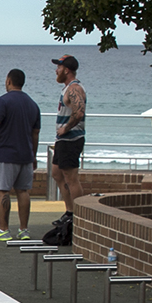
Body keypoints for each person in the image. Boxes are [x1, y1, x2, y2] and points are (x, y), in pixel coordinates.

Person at [0, 69, 41, 240]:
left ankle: (3, 229)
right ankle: (24, 230)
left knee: (3, 191)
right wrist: (33, 155)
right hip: (26, 155)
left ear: (8, 81)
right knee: (23, 191)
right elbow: (35, 133)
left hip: (6, 154)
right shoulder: (33, 104)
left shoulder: (2, 102)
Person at [49, 55, 87, 216]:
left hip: (72, 139)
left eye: (59, 67)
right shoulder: (67, 88)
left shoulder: (74, 89)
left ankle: (79, 214)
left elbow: (79, 113)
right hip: (63, 140)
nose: (56, 70)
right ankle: (69, 210)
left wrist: (66, 128)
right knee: (57, 173)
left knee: (71, 177)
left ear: (67, 70)